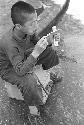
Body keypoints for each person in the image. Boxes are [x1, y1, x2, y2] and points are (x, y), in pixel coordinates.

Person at [0, 1, 61, 115]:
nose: (36, 26)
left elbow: (37, 42)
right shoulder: (9, 43)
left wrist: (49, 41)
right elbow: (20, 71)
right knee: (28, 80)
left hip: (21, 57)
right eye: (32, 23)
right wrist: (35, 53)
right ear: (18, 26)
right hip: (8, 68)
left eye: (36, 21)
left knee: (48, 51)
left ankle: (49, 73)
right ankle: (33, 108)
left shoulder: (28, 31)